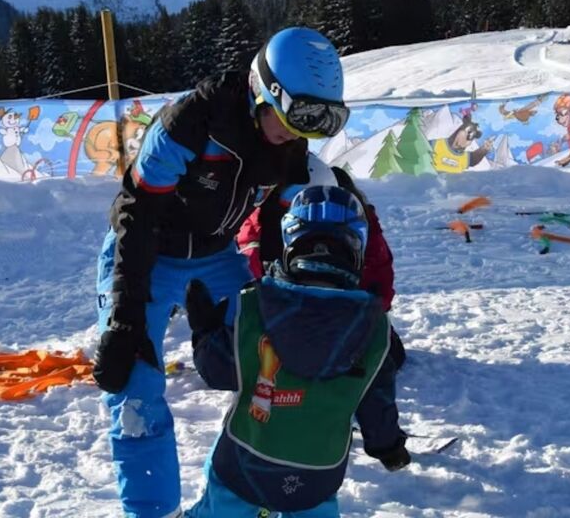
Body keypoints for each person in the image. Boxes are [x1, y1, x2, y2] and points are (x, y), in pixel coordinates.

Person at [91, 27, 351, 518]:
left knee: (278, 368)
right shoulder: (192, 122)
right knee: (136, 389)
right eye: (294, 117)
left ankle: (230, 503)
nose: (297, 134)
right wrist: (126, 317)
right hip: (146, 251)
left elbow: (275, 213)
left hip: (214, 255)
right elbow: (136, 213)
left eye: (315, 123)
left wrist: (286, 295)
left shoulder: (285, 137)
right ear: (264, 91)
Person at [184, 185, 409, 517]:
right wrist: (387, 447)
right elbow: (377, 400)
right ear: (356, 248)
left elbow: (217, 371)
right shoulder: (373, 329)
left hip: (245, 466)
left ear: (291, 242)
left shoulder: (257, 307)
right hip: (317, 476)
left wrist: (204, 332)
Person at [236, 156, 405, 369]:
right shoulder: (264, 218)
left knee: (384, 354)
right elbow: (250, 271)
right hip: (291, 311)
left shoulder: (356, 220)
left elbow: (379, 280)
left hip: (331, 310)